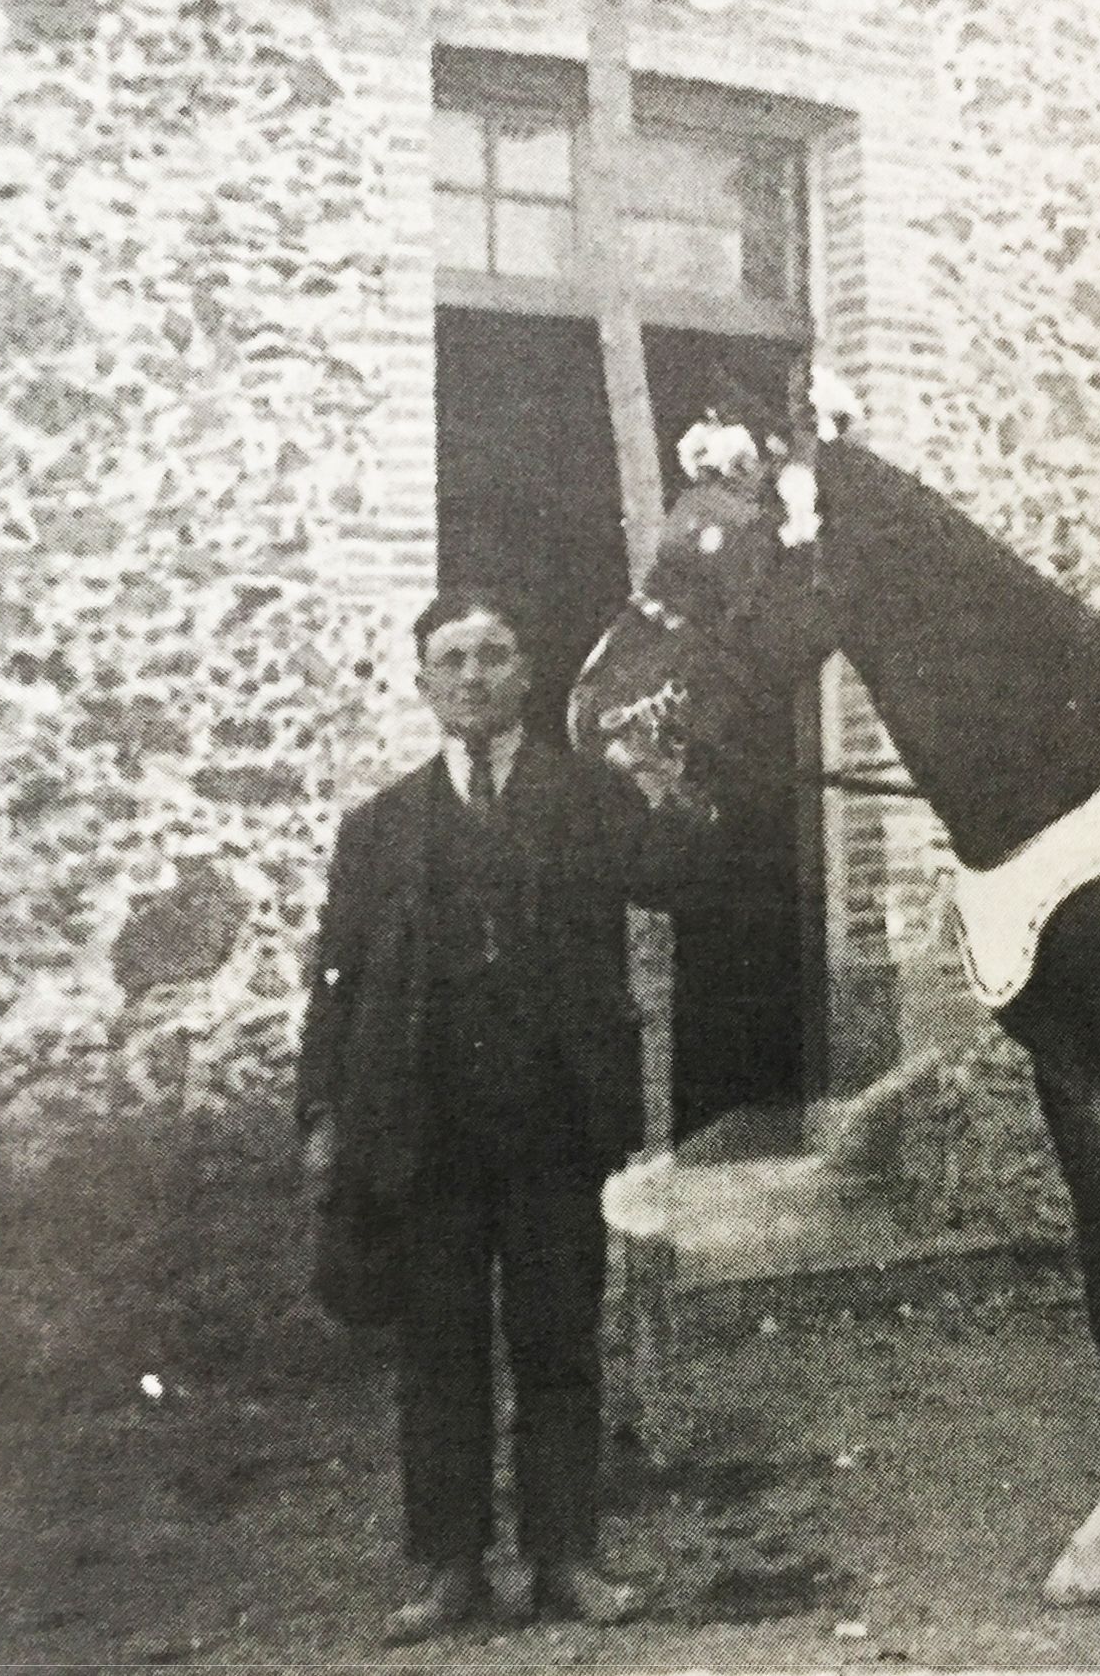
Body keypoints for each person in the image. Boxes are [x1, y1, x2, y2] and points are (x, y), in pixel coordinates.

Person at [293, 589, 703, 1641]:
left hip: (555, 1125)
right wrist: (324, 1115)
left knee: (559, 1340)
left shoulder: (591, 799)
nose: (474, 676)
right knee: (439, 1353)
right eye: (453, 659)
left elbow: (673, 879)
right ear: (424, 683)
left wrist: (674, 788)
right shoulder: (378, 829)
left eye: (495, 655)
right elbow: (335, 984)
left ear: (528, 674)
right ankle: (449, 1570)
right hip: (427, 1134)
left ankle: (567, 1559)